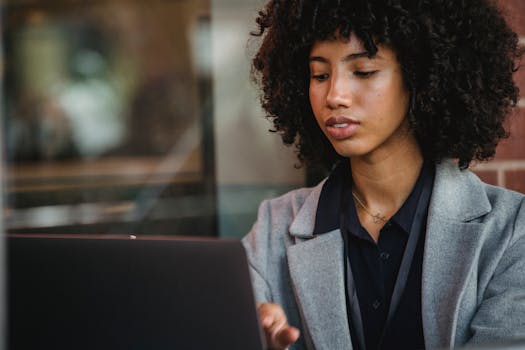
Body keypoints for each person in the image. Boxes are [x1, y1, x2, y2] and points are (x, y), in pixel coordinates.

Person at [242, 0, 525, 349]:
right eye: (320, 75)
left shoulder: (512, 231)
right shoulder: (274, 227)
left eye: (363, 71)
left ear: (420, 76)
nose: (335, 96)